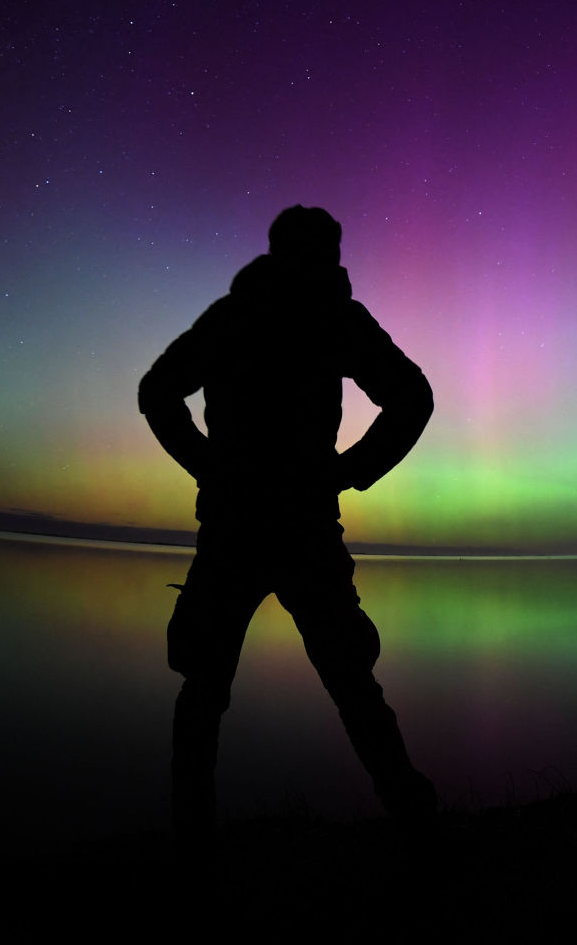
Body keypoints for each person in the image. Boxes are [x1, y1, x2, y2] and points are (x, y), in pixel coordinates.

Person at [138, 205, 437, 841]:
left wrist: (347, 470)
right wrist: (210, 463)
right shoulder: (307, 317)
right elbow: (158, 389)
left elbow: (413, 396)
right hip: (261, 524)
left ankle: (409, 812)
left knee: (297, 681)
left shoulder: (292, 318)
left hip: (271, 524)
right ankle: (410, 814)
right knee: (228, 683)